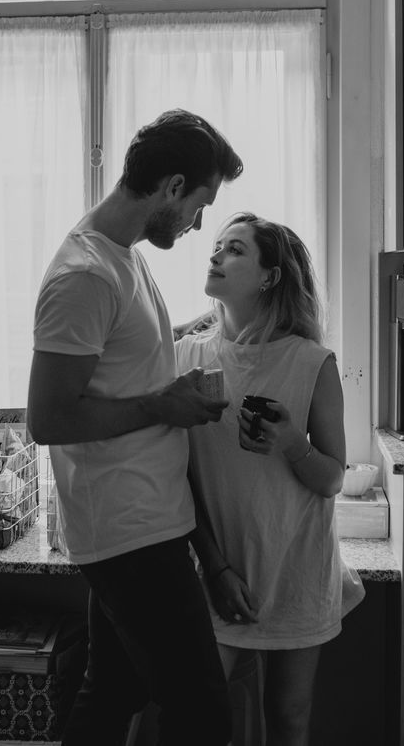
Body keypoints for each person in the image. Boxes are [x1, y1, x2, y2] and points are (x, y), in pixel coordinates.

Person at [27, 108, 244, 746]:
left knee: (114, 690)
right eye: (199, 205)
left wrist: (191, 341)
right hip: (127, 530)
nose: (199, 222)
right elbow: (48, 418)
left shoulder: (122, 256)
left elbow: (121, 360)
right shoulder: (85, 275)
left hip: (143, 518)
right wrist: (162, 406)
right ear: (172, 187)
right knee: (204, 715)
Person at [175, 211, 365, 746]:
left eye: (234, 249)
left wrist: (291, 444)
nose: (215, 255)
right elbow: (179, 476)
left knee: (288, 716)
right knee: (199, 713)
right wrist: (214, 568)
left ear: (269, 277)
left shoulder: (311, 363)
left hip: (296, 568)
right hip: (219, 568)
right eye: (216, 246)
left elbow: (330, 479)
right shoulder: (187, 358)